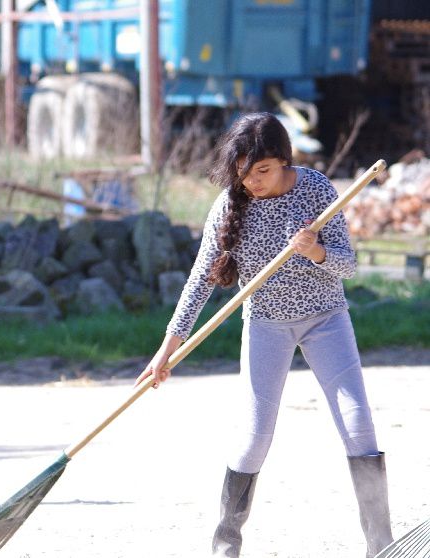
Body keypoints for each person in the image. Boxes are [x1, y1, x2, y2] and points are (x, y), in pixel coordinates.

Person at [135, 112, 393, 557]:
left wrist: (317, 252)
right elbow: (199, 281)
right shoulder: (229, 206)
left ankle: (381, 545)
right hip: (266, 325)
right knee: (254, 437)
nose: (253, 182)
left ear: (283, 160)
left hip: (326, 319)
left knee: (359, 426)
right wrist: (166, 352)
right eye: (244, 173)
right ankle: (225, 542)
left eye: (263, 171)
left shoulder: (316, 190)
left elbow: (348, 265)